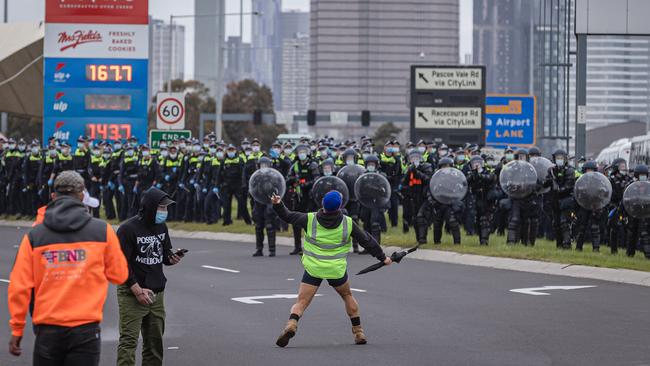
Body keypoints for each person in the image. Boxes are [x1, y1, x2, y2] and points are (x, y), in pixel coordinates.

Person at [8, 170, 129, 365]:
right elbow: (120, 275)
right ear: (82, 196)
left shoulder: (35, 236)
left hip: (48, 329)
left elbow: (19, 287)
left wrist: (17, 329)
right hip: (86, 329)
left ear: (53, 196)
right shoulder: (102, 231)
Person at [271, 191, 391, 347]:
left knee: (301, 301)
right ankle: (358, 331)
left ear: (322, 204)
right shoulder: (348, 223)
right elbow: (366, 240)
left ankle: (291, 324)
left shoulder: (309, 219)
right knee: (347, 296)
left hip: (313, 268)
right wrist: (383, 257)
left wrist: (278, 203)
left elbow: (287, 216)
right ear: (340, 206)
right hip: (336, 270)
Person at [116, 187, 183, 366]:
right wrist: (136, 289)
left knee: (154, 343)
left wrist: (172, 258)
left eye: (166, 208)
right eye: (161, 207)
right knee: (129, 341)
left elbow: (164, 254)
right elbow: (121, 263)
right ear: (150, 206)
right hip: (132, 292)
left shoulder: (161, 226)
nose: (164, 212)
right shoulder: (127, 229)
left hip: (156, 292)